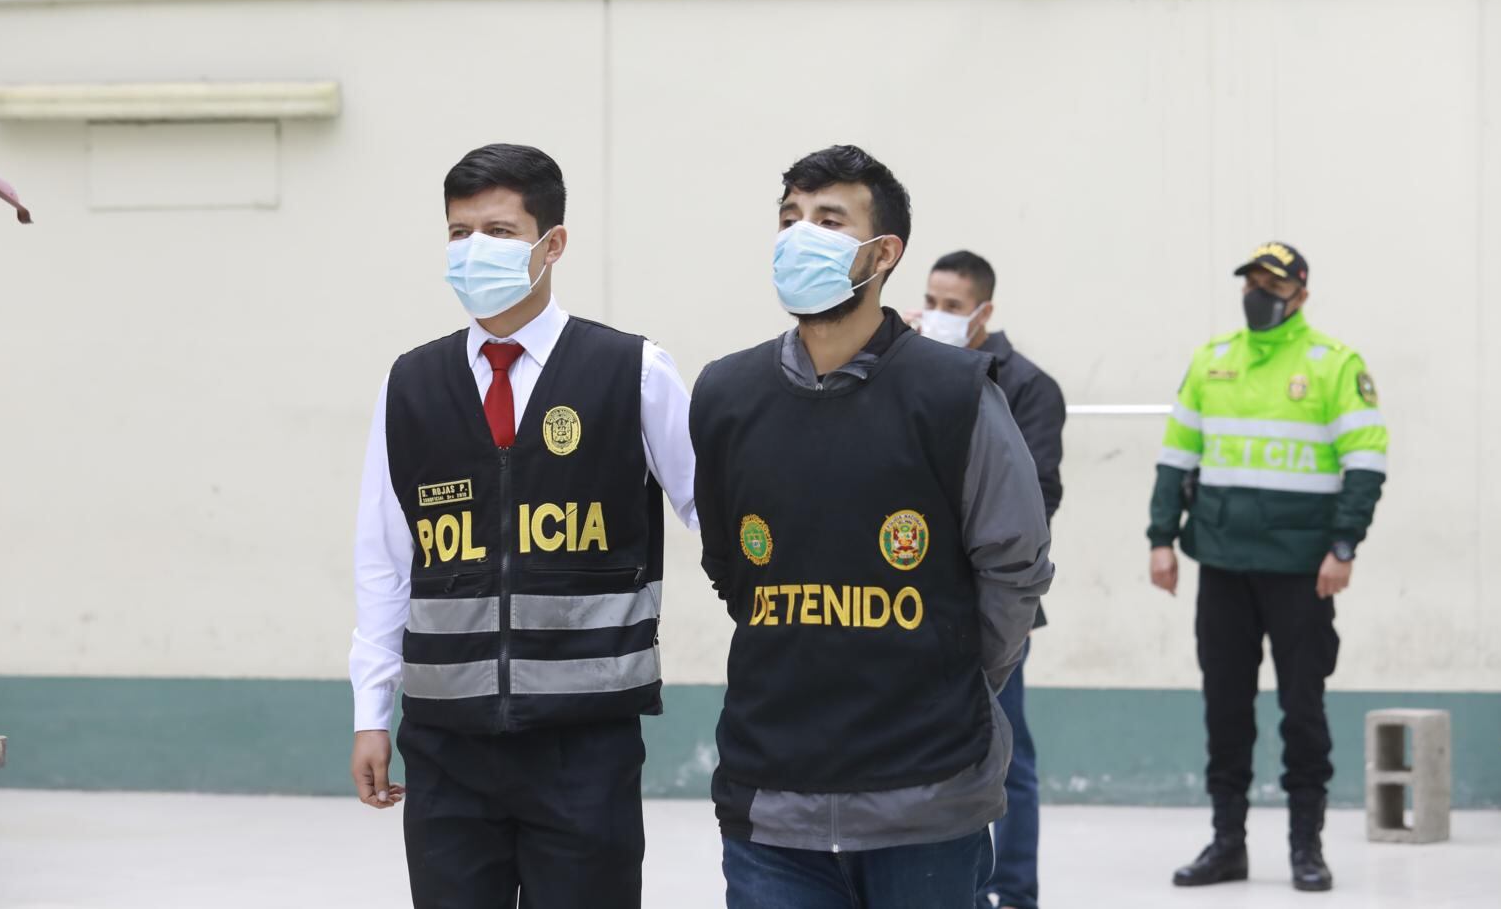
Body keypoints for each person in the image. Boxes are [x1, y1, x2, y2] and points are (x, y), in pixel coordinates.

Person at [690, 144, 1055, 908]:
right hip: (771, 805)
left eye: (829, 220)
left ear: (883, 252)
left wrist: (951, 675)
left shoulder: (955, 393)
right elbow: (731, 567)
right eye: (790, 218)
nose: (800, 236)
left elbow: (1015, 566)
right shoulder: (727, 393)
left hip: (926, 800)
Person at [347, 143, 698, 909]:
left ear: (553, 243)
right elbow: (386, 560)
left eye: (500, 231)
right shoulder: (412, 384)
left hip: (584, 746)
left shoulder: (633, 372)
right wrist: (371, 711)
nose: (475, 249)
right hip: (446, 748)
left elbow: (715, 509)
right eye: (459, 232)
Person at [1146, 242, 1387, 894]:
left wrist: (1344, 547)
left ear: (1300, 295)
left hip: (1301, 571)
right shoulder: (1212, 359)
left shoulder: (1334, 364)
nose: (1258, 293)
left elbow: (1366, 462)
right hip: (1222, 564)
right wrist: (1161, 538)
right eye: (1251, 281)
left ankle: (1307, 846)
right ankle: (1227, 843)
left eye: (1272, 285)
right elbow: (1176, 456)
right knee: (1225, 709)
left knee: (1302, 710)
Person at [917, 250, 1065, 909]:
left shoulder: (1028, 386)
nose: (937, 316)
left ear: (983, 311)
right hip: (913, 597)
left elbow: (1035, 497)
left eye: (952, 306)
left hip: (991, 600)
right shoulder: (910, 370)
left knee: (1006, 750)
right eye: (931, 302)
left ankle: (1014, 889)